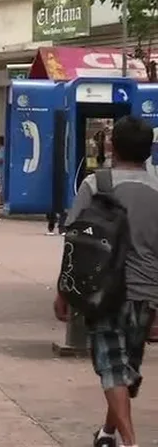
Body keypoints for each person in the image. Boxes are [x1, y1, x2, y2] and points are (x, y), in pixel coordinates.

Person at [54, 116, 158, 447]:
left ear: (112, 146)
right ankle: (109, 433)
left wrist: (63, 293)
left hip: (103, 292)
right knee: (124, 369)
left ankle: (129, 442)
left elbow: (75, 243)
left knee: (114, 370)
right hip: (146, 295)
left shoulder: (95, 184)